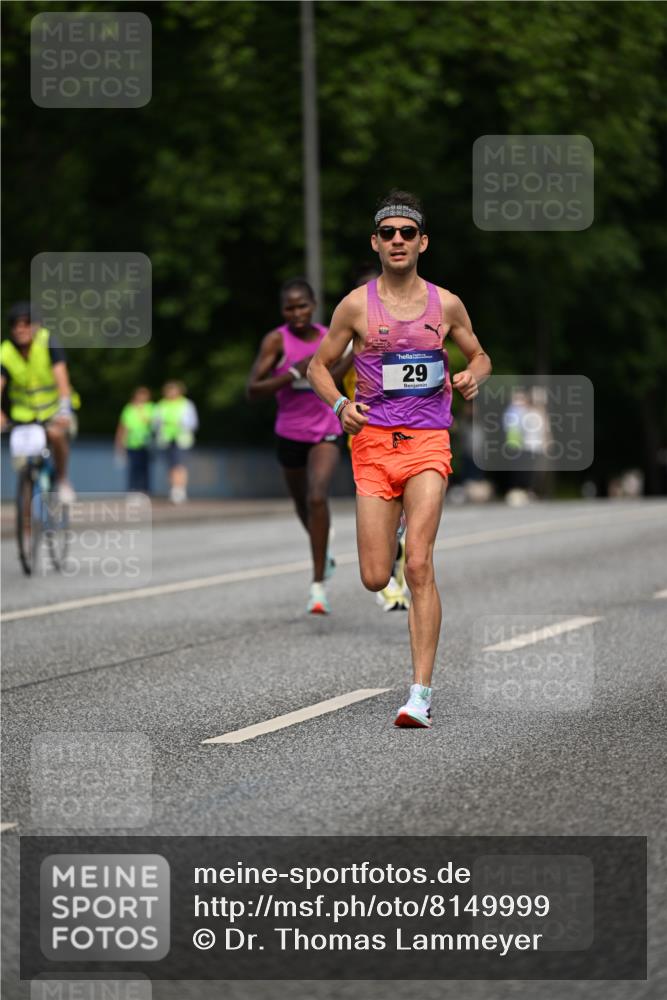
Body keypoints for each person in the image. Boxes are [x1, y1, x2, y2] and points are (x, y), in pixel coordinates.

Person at [308, 190, 492, 727]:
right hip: (371, 445)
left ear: (422, 242)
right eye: (387, 233)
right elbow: (319, 367)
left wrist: (470, 376)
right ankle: (387, 536)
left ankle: (420, 695)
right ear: (376, 241)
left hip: (429, 441)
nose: (396, 240)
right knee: (372, 575)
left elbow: (481, 354)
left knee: (418, 564)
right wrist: (340, 404)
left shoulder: (447, 304)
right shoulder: (355, 306)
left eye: (406, 233)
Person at [246, 277, 343, 615]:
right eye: (290, 307)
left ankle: (318, 587)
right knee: (303, 505)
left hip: (326, 429)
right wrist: (291, 374)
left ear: (313, 305)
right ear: (282, 310)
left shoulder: (329, 336)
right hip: (289, 432)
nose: (297, 313)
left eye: (302, 305)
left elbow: (341, 373)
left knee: (317, 496)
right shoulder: (276, 341)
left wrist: (322, 370)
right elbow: (253, 390)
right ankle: (323, 547)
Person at [0, 301, 79, 503]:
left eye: (27, 323)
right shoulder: (6, 351)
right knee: (24, 470)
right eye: (16, 325)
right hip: (23, 417)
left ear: (37, 325)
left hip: (54, 410)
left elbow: (62, 379)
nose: (21, 329)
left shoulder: (48, 341)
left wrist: (64, 411)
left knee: (55, 433)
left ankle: (62, 479)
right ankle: (26, 526)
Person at [153, 380, 198, 503]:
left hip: (182, 439)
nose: (171, 393)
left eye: (173, 390)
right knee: (171, 466)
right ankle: (174, 489)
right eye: (169, 391)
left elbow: (193, 423)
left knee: (180, 465)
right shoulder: (161, 405)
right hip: (166, 439)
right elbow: (155, 424)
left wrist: (180, 424)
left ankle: (180, 490)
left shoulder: (186, 404)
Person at [115, 386, 154, 494]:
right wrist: (119, 441)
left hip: (146, 443)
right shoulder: (129, 408)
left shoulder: (151, 408)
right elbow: (123, 425)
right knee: (133, 468)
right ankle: (133, 490)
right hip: (131, 443)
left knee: (145, 468)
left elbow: (153, 422)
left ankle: (145, 490)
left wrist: (141, 410)